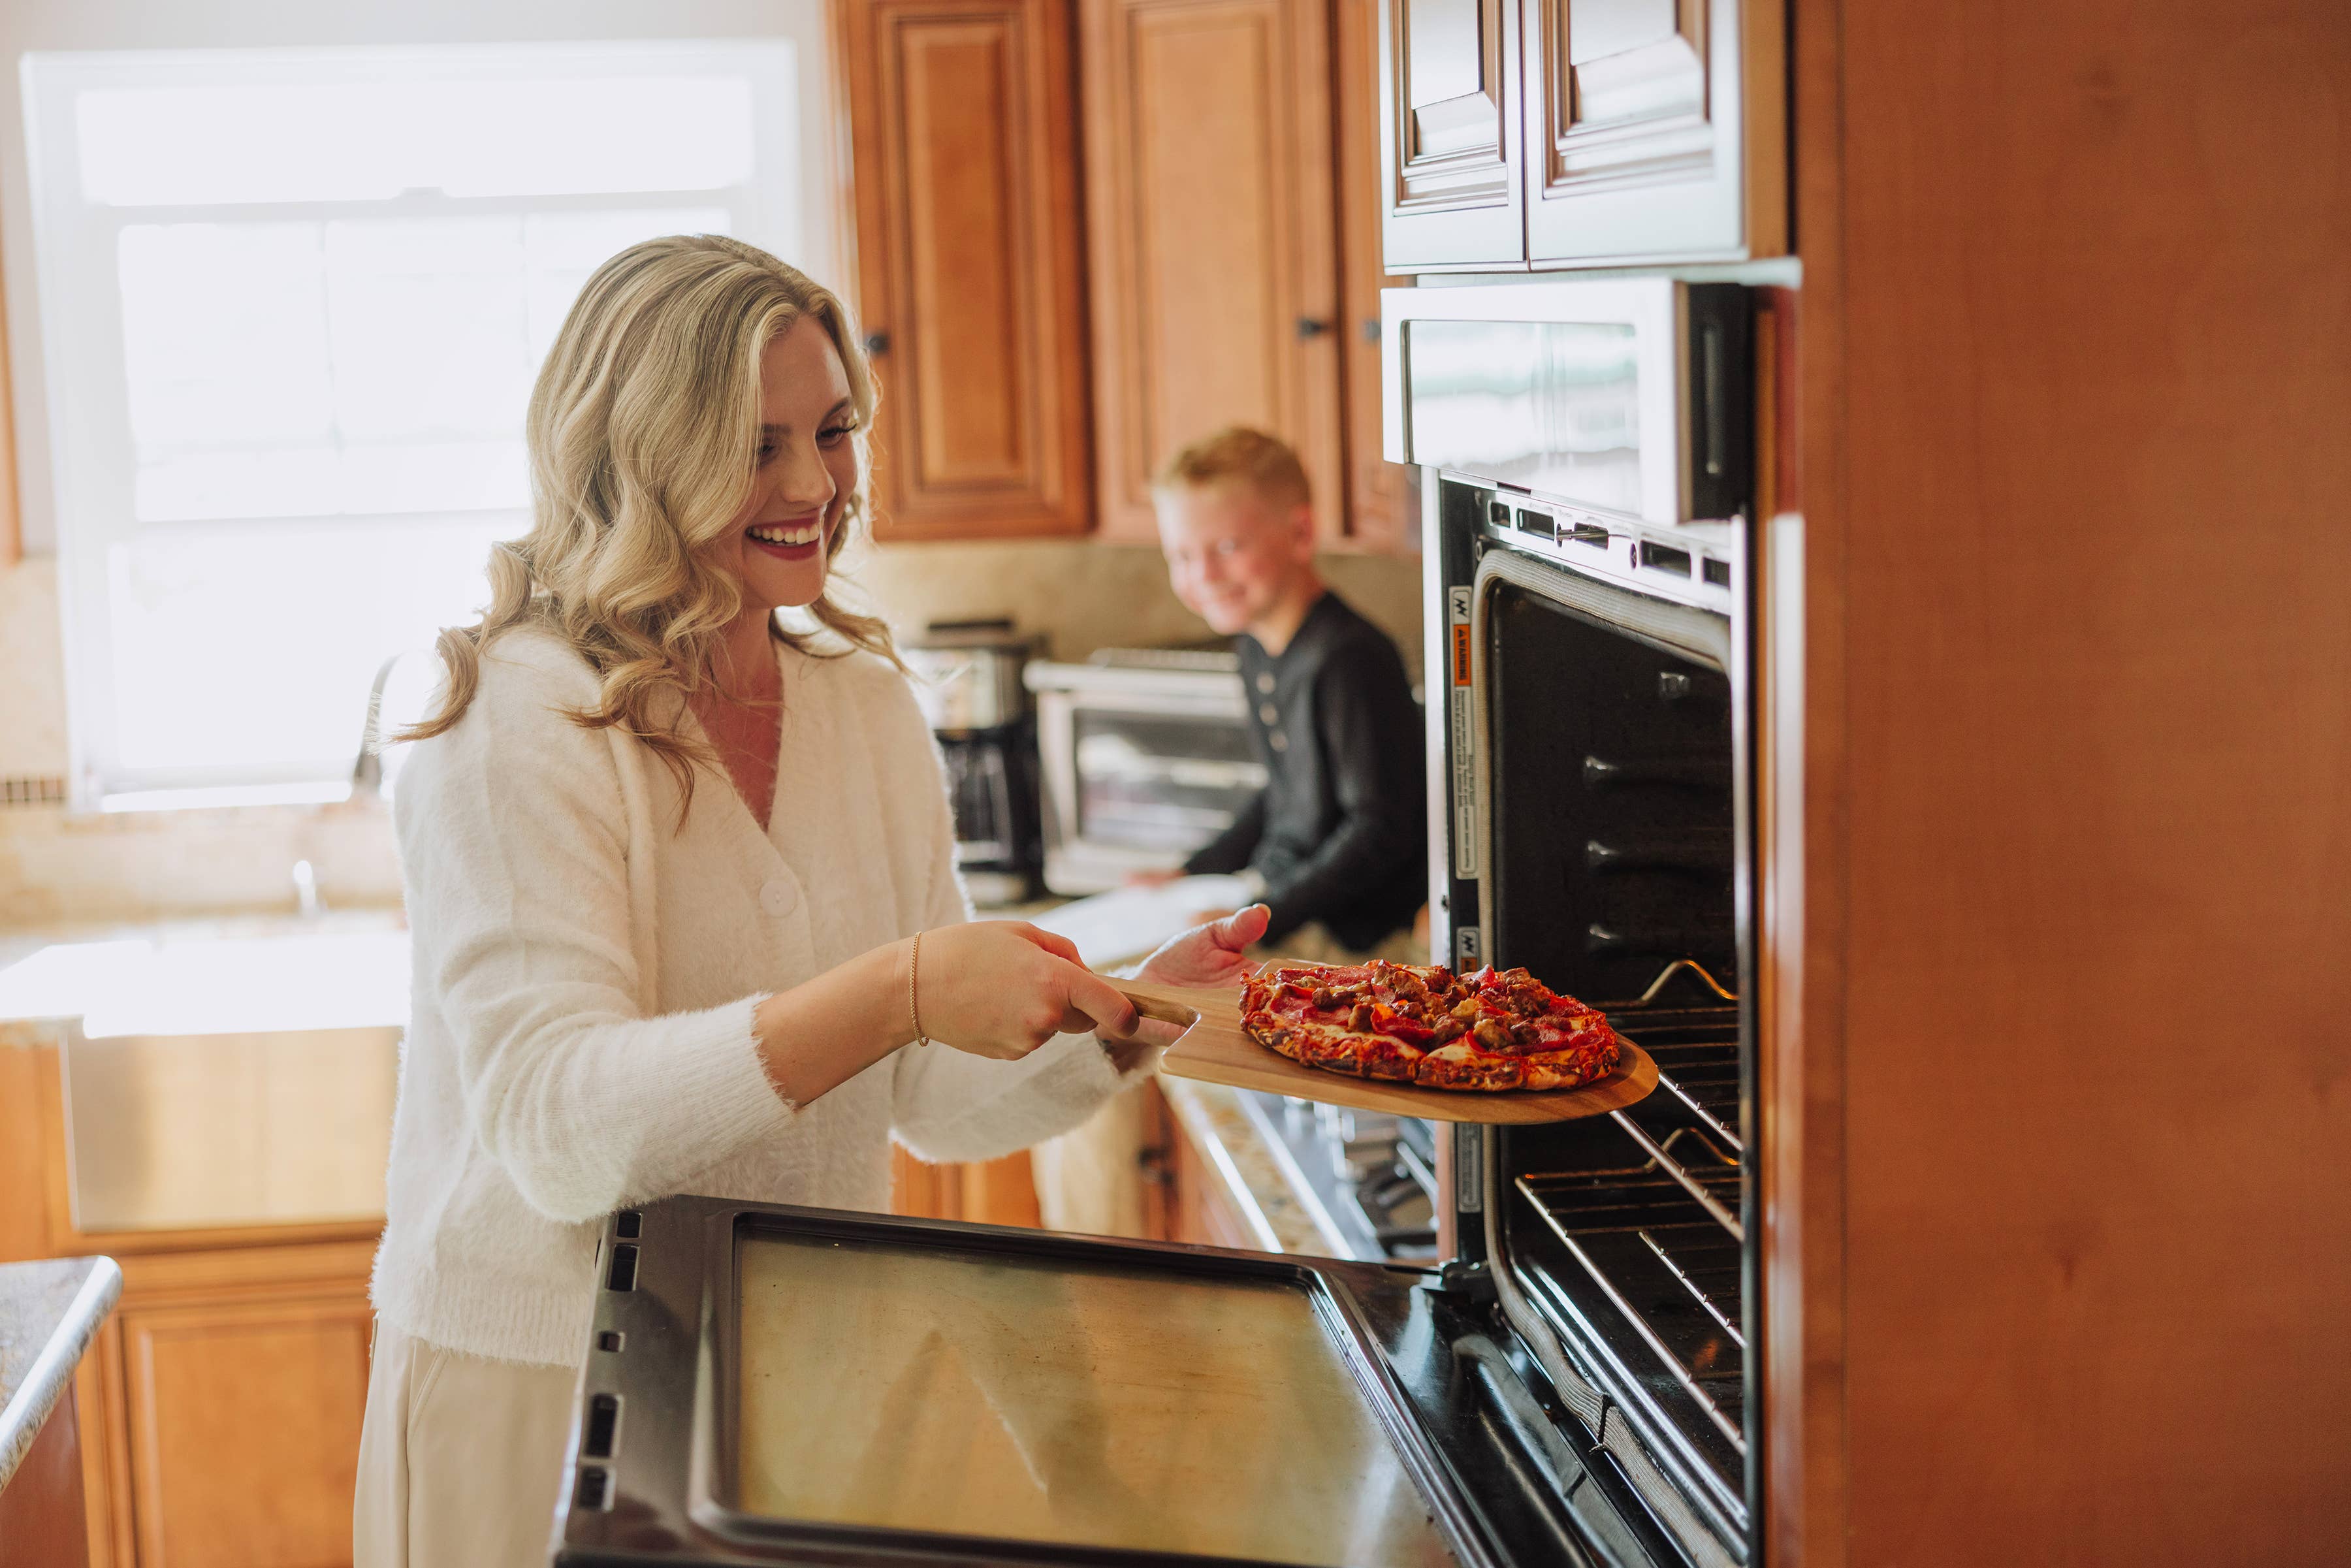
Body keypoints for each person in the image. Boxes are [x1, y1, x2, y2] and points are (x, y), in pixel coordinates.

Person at [351, 235, 1267, 1568]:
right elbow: (556, 1132)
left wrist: (1120, 1019)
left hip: (809, 1391)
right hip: (543, 1402)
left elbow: (920, 1101)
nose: (816, 485)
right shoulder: (519, 718)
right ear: (643, 450)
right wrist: (899, 988)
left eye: (833, 432)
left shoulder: (860, 703)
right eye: (757, 443)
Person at [1141, 427, 1426, 962]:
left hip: (1352, 943)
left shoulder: (1350, 657)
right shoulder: (1254, 645)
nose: (1203, 575)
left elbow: (1379, 830)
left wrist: (1264, 916)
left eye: (1227, 547)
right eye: (1181, 555)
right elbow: (1285, 791)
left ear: (1299, 533)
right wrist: (1191, 871)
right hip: (1283, 908)